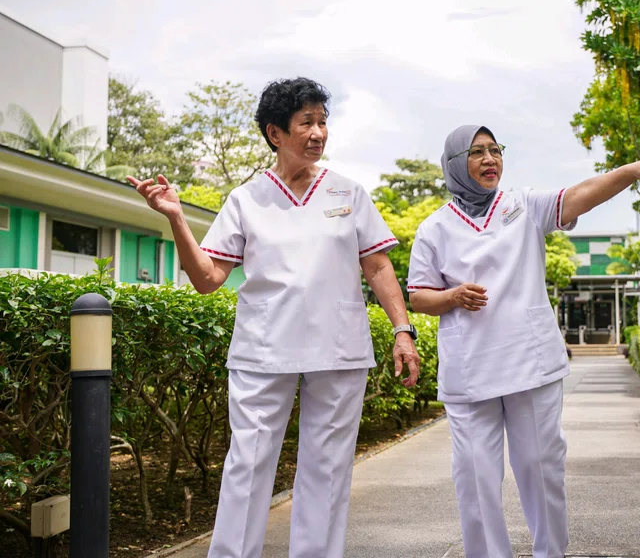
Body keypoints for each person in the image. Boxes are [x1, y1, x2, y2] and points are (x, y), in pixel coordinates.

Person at [127, 77, 421, 558]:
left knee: (327, 470)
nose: (318, 133)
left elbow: (378, 265)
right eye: (306, 122)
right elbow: (207, 278)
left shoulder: (349, 193)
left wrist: (402, 330)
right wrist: (177, 218)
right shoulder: (246, 199)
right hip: (264, 350)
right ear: (275, 132)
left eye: (323, 122)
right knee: (247, 465)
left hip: (338, 348)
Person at [407, 124, 640, 558]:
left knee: (541, 466)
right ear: (456, 164)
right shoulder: (433, 229)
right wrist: (452, 296)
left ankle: (551, 552)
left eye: (495, 150)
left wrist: (627, 172)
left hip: (529, 363)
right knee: (475, 476)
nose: (490, 159)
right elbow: (417, 296)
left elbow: (578, 195)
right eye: (477, 152)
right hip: (470, 370)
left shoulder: (523, 206)